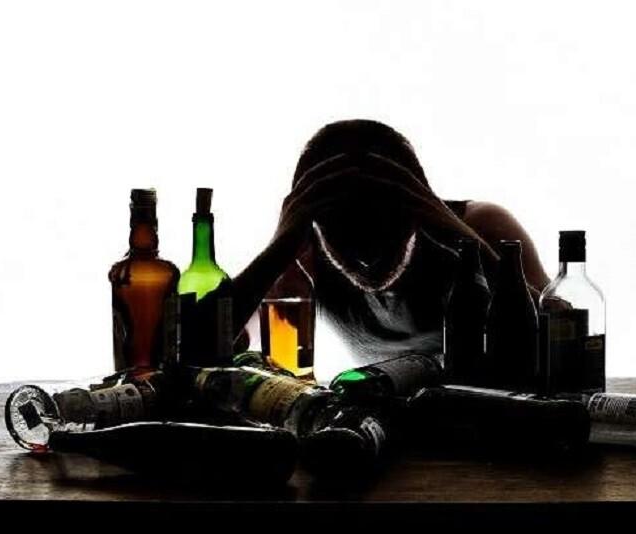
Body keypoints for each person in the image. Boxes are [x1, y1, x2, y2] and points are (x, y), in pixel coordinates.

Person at [233, 119, 549, 363]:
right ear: (315, 224)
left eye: (382, 222)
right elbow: (215, 342)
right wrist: (279, 250)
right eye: (345, 229)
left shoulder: (479, 225)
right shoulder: (302, 264)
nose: (366, 255)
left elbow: (561, 336)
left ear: (417, 204)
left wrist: (463, 241)